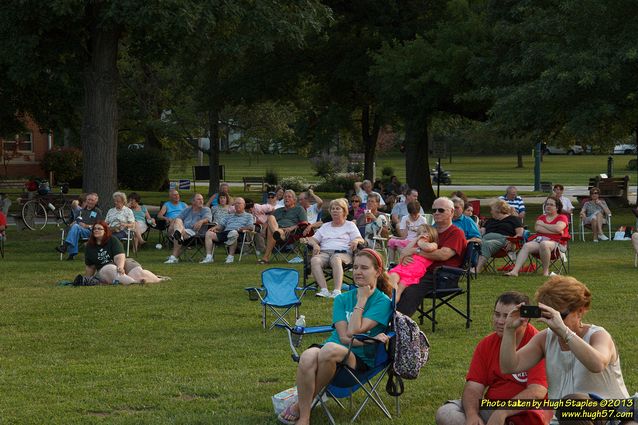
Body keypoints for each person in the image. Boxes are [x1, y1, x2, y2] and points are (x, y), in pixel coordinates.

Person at [276, 249, 393, 425]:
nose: (358, 272)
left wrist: (361, 301)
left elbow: (352, 332)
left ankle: (300, 406)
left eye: (364, 268)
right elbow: (344, 337)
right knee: (307, 357)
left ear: (377, 271)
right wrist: (356, 338)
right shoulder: (342, 299)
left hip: (359, 359)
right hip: (335, 348)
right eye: (355, 267)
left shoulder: (382, 302)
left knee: (329, 349)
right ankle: (305, 417)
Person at [500, 276, 637, 424]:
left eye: (561, 316)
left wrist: (565, 333)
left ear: (580, 311)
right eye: (549, 315)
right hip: (563, 418)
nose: (553, 322)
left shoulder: (598, 335)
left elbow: (597, 364)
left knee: (572, 406)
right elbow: (510, 366)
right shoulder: (545, 338)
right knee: (569, 408)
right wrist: (509, 330)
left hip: (612, 417)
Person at [435, 291, 552, 425]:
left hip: (524, 411)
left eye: (507, 316)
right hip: (491, 407)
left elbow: (537, 392)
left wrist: (502, 412)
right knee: (446, 412)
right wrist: (472, 415)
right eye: (497, 314)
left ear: (524, 319)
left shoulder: (537, 343)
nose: (500, 321)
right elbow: (473, 386)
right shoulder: (486, 344)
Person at [396, 197, 467, 317]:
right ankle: (378, 319)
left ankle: (398, 324)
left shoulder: (456, 233)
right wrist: (406, 256)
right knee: (388, 282)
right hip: (419, 270)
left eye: (441, 210)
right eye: (434, 210)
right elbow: (405, 251)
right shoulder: (430, 231)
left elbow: (442, 255)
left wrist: (416, 252)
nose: (436, 213)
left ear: (452, 212)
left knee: (410, 289)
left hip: (442, 276)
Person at [303, 198, 365, 298]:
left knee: (336, 258)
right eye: (333, 209)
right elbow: (312, 239)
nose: (335, 210)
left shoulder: (350, 225)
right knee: (315, 260)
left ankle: (337, 291)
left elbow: (360, 239)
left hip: (343, 254)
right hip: (325, 253)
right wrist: (315, 244)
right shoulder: (325, 226)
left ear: (344, 211)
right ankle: (324, 290)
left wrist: (356, 240)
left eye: (338, 208)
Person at [505, 196, 568, 277]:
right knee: (527, 245)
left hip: (558, 243)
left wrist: (544, 225)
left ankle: (545, 272)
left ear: (557, 207)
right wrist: (554, 230)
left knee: (544, 244)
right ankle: (515, 271)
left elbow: (558, 228)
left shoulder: (562, 217)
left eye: (551, 205)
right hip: (540, 241)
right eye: (547, 204)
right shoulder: (542, 217)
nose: (548, 206)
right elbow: (538, 228)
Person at [83, 221, 163, 284]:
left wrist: (120, 267)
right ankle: (135, 282)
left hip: (120, 262)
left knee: (138, 272)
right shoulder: (89, 246)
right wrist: (86, 279)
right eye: (94, 229)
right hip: (104, 268)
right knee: (111, 269)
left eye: (99, 229)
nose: (96, 230)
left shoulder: (112, 240)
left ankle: (158, 279)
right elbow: (90, 266)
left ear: (105, 231)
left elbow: (119, 256)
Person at [388, 224, 438, 303]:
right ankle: (389, 297)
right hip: (402, 268)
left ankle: (392, 305)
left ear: (432, 234)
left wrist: (420, 241)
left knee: (400, 288)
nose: (421, 234)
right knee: (393, 279)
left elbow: (427, 248)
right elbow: (406, 250)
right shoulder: (414, 244)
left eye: (424, 232)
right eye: (419, 233)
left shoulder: (433, 244)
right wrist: (416, 240)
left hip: (413, 273)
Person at [474, 199, 524, 274]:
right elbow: (481, 232)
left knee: (486, 244)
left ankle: (476, 269)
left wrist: (512, 241)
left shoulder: (513, 219)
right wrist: (476, 228)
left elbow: (520, 233)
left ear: (498, 210)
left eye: (492, 210)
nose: (490, 212)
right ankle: (465, 268)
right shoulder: (490, 220)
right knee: (473, 244)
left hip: (503, 241)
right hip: (484, 239)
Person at [258, 189, 307, 264]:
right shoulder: (278, 210)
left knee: (272, 231)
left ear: (294, 200)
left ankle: (265, 258)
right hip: (278, 230)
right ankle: (277, 234)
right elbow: (267, 222)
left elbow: (304, 223)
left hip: (289, 233)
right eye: (285, 197)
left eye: (289, 197)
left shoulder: (299, 209)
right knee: (270, 217)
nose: (286, 198)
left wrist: (292, 228)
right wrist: (264, 230)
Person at [200, 197, 254, 264]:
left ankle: (230, 257)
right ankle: (209, 257)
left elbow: (251, 227)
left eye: (239, 203)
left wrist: (241, 229)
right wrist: (215, 228)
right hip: (225, 233)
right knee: (209, 233)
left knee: (233, 233)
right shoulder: (229, 216)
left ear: (244, 205)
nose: (237, 205)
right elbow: (221, 225)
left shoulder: (249, 216)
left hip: (239, 234)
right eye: (235, 204)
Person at [164, 193, 212, 264]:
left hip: (196, 232)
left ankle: (174, 256)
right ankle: (178, 236)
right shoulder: (187, 210)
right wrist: (171, 225)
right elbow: (178, 218)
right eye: (199, 199)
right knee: (178, 220)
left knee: (177, 234)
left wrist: (201, 221)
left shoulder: (205, 209)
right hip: (184, 230)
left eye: (202, 199)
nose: (201, 201)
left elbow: (208, 218)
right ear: (193, 202)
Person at [55, 192, 103, 260]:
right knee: (75, 228)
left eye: (92, 200)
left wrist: (87, 226)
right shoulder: (82, 211)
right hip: (80, 230)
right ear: (86, 200)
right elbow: (78, 219)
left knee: (75, 228)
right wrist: (74, 223)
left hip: (91, 232)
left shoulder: (97, 211)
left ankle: (65, 246)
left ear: (96, 201)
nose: (89, 201)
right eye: (88, 199)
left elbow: (99, 225)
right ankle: (70, 255)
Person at [387, 200, 427, 265]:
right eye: (412, 214)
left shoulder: (422, 219)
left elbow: (424, 234)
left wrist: (413, 228)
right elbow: (404, 236)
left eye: (416, 214)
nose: (414, 216)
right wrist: (406, 226)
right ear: (409, 213)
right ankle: (391, 263)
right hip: (406, 240)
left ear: (418, 212)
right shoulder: (405, 218)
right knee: (391, 241)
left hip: (417, 241)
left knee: (399, 246)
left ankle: (402, 263)